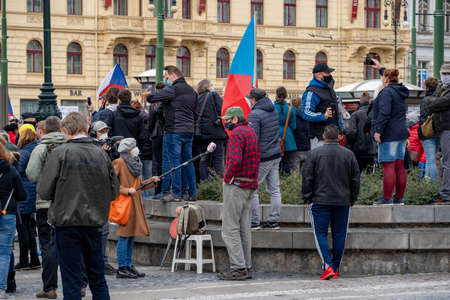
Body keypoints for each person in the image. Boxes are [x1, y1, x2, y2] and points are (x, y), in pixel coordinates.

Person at [37, 112, 120, 300]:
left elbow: (44, 190)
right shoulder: (101, 154)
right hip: (94, 222)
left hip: (67, 221)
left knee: (71, 278)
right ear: (86, 128)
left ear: (65, 130)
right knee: (97, 277)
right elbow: (114, 190)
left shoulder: (60, 153)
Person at [302, 125, 360, 280]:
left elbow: (307, 177)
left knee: (320, 233)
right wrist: (353, 198)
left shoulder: (314, 154)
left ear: (323, 136)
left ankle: (327, 265)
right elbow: (355, 179)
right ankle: (335, 267)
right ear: (340, 137)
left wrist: (307, 197)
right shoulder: (349, 154)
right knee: (340, 234)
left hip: (319, 200)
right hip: (343, 200)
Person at [25, 116, 65, 299]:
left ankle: (50, 288)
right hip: (68, 203)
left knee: (48, 245)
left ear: (45, 130)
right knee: (72, 244)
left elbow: (32, 174)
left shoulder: (40, 148)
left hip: (45, 204)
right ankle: (80, 285)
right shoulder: (69, 146)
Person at [219, 107, 260, 281]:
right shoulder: (250, 131)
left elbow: (234, 160)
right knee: (244, 229)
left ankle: (238, 267)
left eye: (228, 119)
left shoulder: (236, 134)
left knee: (229, 228)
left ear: (235, 119)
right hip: (250, 184)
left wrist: (227, 177)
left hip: (236, 184)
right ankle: (247, 266)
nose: (226, 122)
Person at [146, 66, 198, 202]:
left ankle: (176, 192)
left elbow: (152, 98)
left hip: (174, 130)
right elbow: (196, 112)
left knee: (174, 162)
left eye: (166, 77)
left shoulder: (173, 89)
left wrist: (151, 94)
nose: (166, 79)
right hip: (189, 130)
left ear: (173, 75)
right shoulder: (192, 91)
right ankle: (192, 192)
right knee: (187, 161)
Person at [113, 138, 158, 279]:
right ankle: (122, 267)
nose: (136, 149)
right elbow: (111, 184)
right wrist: (126, 190)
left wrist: (152, 181)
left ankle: (129, 265)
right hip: (125, 205)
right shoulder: (119, 162)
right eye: (134, 146)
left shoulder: (136, 162)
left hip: (135, 204)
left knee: (131, 236)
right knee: (124, 236)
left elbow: (139, 185)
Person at [372, 69, 409, 205]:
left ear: (386, 78)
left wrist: (378, 131)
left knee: (388, 165)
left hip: (389, 133)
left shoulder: (387, 92)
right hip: (401, 133)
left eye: (382, 76)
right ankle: (399, 198)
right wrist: (381, 67)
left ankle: (387, 198)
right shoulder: (400, 91)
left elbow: (384, 113)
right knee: (399, 166)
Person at [246, 88, 282, 230]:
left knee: (252, 188)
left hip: (263, 156)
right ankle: (273, 221)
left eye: (250, 98)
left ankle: (254, 221)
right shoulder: (273, 110)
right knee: (274, 189)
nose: (249, 100)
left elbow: (253, 139)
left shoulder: (254, 115)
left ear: (255, 99)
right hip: (275, 154)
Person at [0, 143, 27, 299]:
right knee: (3, 253)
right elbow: (22, 195)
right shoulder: (10, 170)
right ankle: (1, 289)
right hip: (6, 213)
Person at [15, 128, 40, 271]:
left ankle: (24, 260)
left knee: (23, 228)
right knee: (29, 228)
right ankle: (34, 259)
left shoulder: (23, 152)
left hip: (24, 194)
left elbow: (17, 172)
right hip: (32, 193)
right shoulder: (35, 149)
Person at [301, 63, 341, 150]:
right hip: (319, 139)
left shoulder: (330, 90)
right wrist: (323, 116)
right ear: (319, 74)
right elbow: (305, 113)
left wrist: (340, 130)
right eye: (327, 73)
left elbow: (337, 113)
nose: (330, 75)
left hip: (334, 137)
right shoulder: (311, 92)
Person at [194, 79, 227, 181]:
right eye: (211, 85)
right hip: (216, 133)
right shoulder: (214, 96)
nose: (212, 87)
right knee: (218, 158)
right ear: (207, 87)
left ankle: (204, 184)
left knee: (204, 160)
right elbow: (222, 110)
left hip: (202, 134)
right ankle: (218, 184)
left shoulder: (197, 98)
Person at [428, 63, 450, 204]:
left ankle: (446, 193)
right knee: (445, 161)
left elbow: (437, 103)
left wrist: (434, 103)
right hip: (443, 128)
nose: (445, 76)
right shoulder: (442, 88)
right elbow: (432, 102)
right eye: (444, 73)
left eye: (448, 74)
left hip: (448, 128)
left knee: (447, 162)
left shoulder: (445, 91)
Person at [344, 92, 376, 172]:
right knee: (370, 175)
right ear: (369, 101)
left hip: (358, 150)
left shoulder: (355, 114)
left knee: (356, 174)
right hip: (371, 150)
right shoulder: (374, 114)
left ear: (360, 101)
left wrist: (349, 146)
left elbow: (351, 132)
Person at [419, 77, 440, 183]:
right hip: (438, 131)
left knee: (430, 159)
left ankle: (433, 184)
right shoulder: (440, 98)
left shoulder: (426, 99)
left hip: (428, 132)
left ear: (426, 86)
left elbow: (423, 116)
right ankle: (429, 183)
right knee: (434, 159)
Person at [148, 82, 166, 197]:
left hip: (156, 134)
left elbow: (150, 122)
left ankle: (158, 189)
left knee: (157, 162)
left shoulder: (153, 104)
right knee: (166, 161)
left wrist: (150, 133)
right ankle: (164, 187)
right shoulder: (167, 102)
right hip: (166, 133)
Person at [274, 87, 297, 174]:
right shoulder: (291, 109)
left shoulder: (272, 108)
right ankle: (287, 183)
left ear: (276, 95)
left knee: (276, 165)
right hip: (288, 137)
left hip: (275, 136)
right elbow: (294, 126)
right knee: (287, 163)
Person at [291, 97, 311, 173]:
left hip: (295, 148)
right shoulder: (308, 116)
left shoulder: (291, 117)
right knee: (305, 175)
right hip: (307, 148)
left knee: (294, 175)